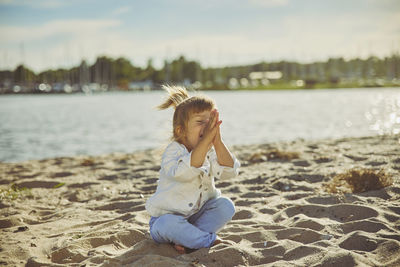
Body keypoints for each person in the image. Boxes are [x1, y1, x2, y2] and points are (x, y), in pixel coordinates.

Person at [145, 85, 240, 253]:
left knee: (226, 206)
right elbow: (184, 172)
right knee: (167, 225)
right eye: (200, 122)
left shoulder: (210, 150)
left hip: (197, 216)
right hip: (167, 219)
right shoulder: (173, 151)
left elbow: (229, 172)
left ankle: (188, 238)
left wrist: (217, 142)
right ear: (181, 130)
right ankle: (204, 240)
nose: (207, 127)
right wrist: (205, 142)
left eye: (210, 122)